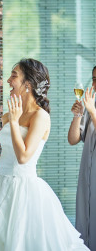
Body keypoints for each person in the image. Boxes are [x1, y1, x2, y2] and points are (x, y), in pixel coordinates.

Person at [0, 58, 89, 251]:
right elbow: (11, 157)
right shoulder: (8, 115)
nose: (8, 80)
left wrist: (15, 123)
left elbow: (23, 158)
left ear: (28, 85)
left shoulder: (40, 116)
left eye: (14, 76)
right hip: (0, 187)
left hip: (23, 192)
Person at [68, 66, 96, 250]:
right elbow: (73, 139)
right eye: (93, 78)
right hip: (87, 175)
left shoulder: (92, 107)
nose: (94, 84)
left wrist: (92, 112)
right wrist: (78, 115)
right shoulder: (91, 103)